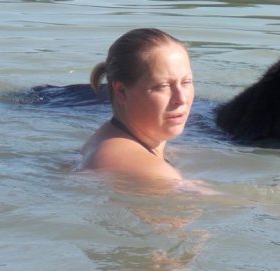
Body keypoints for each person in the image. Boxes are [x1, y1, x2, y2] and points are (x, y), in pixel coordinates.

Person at [78, 28, 194, 181]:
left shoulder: (110, 140)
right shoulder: (151, 171)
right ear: (121, 92)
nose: (181, 98)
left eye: (186, 82)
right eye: (162, 86)